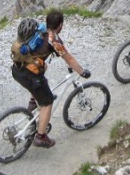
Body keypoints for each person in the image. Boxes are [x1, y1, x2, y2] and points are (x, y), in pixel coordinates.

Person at [11, 10, 90, 148]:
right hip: (31, 77)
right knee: (47, 103)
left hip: (17, 70)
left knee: (43, 67)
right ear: (60, 25)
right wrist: (82, 72)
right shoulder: (54, 40)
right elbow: (69, 59)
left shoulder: (39, 31)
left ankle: (33, 101)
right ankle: (41, 137)